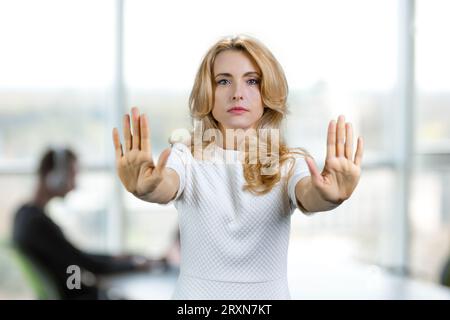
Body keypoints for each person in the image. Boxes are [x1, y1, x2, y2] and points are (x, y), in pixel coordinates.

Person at [112, 34, 364, 299]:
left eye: (252, 81)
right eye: (223, 81)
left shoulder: (288, 164)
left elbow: (309, 195)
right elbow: (165, 186)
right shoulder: (186, 157)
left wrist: (329, 197)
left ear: (269, 92)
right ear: (207, 93)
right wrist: (145, 189)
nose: (237, 94)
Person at [12, 147, 167, 300]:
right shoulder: (37, 223)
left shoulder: (24, 215)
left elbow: (75, 255)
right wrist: (134, 265)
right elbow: (84, 263)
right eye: (71, 175)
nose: (74, 185)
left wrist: (117, 258)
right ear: (54, 176)